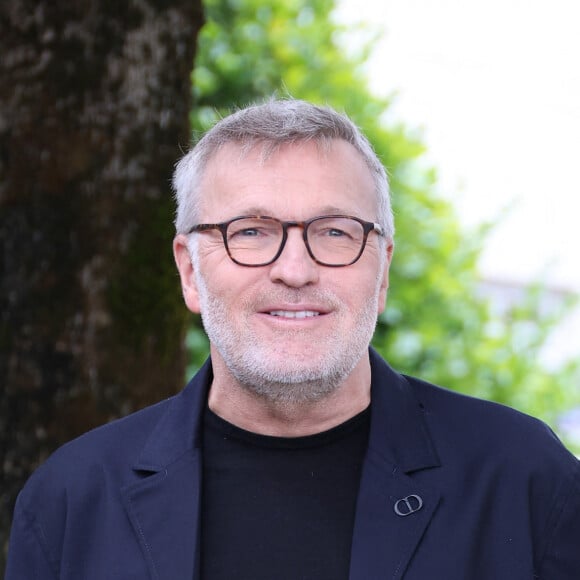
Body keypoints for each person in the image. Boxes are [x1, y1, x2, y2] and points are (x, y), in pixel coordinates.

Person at [5, 99, 580, 580]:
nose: (296, 270)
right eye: (250, 232)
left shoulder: (525, 479)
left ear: (381, 271)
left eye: (335, 232)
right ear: (189, 272)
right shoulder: (72, 500)